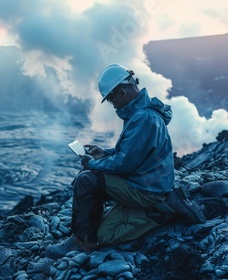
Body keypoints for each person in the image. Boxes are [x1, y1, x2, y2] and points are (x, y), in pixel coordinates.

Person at [45, 64, 206, 260]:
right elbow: (133, 152)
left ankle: (81, 243)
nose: (112, 104)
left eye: (111, 99)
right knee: (105, 235)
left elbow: (125, 164)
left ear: (121, 92)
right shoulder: (142, 114)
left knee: (86, 180)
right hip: (149, 183)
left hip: (145, 188)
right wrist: (105, 153)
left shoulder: (143, 119)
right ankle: (162, 211)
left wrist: (93, 164)